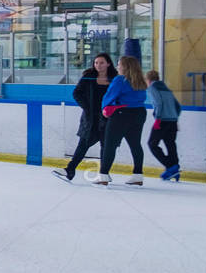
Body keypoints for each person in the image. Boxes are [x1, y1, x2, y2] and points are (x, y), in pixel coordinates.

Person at [53, 53, 117, 182]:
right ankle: (70, 170)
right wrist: (87, 108)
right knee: (83, 144)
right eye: (96, 62)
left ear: (108, 64)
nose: (98, 65)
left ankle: (104, 174)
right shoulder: (89, 76)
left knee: (107, 146)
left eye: (102, 62)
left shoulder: (115, 79)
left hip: (108, 117)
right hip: (91, 118)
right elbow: (77, 93)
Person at [93, 42, 148, 186]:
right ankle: (138, 175)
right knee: (135, 144)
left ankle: (103, 175)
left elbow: (109, 96)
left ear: (125, 67)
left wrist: (105, 108)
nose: (117, 67)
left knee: (109, 144)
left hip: (122, 115)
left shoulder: (119, 80)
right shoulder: (140, 81)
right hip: (139, 113)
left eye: (119, 65)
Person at [146, 69, 182, 182]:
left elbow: (158, 103)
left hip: (162, 120)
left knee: (152, 144)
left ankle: (171, 166)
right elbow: (178, 106)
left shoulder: (153, 88)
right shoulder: (166, 88)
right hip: (172, 121)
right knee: (170, 143)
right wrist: (175, 117)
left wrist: (158, 119)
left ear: (148, 80)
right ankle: (174, 167)